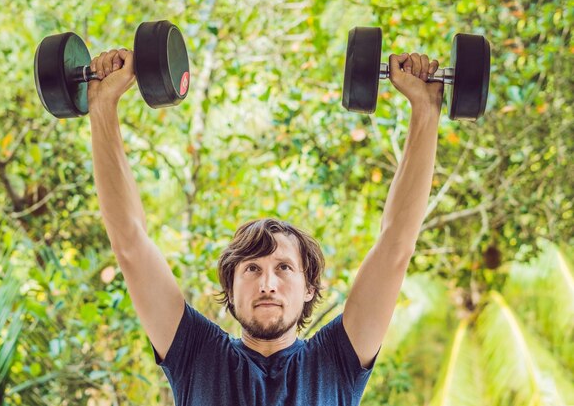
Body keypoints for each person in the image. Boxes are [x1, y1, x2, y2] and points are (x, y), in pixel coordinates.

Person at [87, 47, 443, 405]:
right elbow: (130, 244)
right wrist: (102, 105)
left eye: (284, 268)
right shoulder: (196, 355)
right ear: (230, 287)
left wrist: (425, 111)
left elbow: (396, 245)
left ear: (308, 288)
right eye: (252, 269)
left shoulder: (336, 360)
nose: (267, 284)